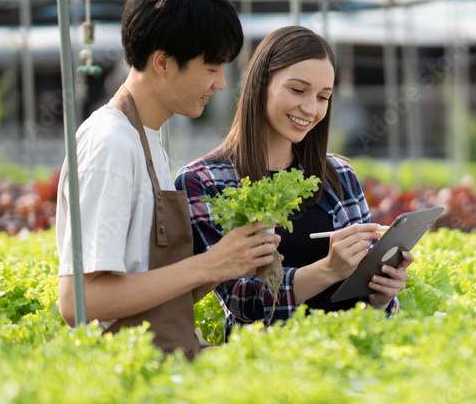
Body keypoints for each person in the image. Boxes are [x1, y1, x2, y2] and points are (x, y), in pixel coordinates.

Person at [55, 0, 280, 360]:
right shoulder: (111, 144)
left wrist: (230, 261)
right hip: (133, 371)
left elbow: (153, 290)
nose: (221, 84)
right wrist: (209, 264)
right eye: (211, 68)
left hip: (169, 356)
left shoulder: (147, 142)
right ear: (162, 62)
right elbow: (79, 301)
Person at [177, 25, 414, 337]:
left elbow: (372, 309)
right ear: (260, 84)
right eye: (298, 90)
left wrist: (381, 297)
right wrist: (328, 270)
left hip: (350, 357)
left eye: (323, 97)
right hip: (267, 366)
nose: (311, 109)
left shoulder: (339, 175)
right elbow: (241, 300)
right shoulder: (203, 181)